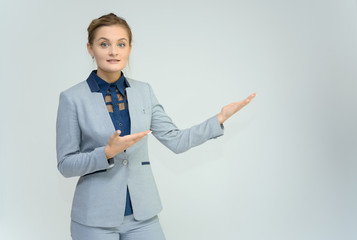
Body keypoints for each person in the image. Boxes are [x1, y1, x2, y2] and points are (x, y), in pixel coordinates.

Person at [56, 13, 256, 240]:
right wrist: (106, 153)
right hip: (94, 220)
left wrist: (219, 119)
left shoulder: (144, 91)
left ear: (129, 48)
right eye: (104, 44)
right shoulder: (72, 98)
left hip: (143, 218)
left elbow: (176, 140)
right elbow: (66, 164)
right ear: (90, 49)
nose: (114, 52)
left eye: (121, 44)